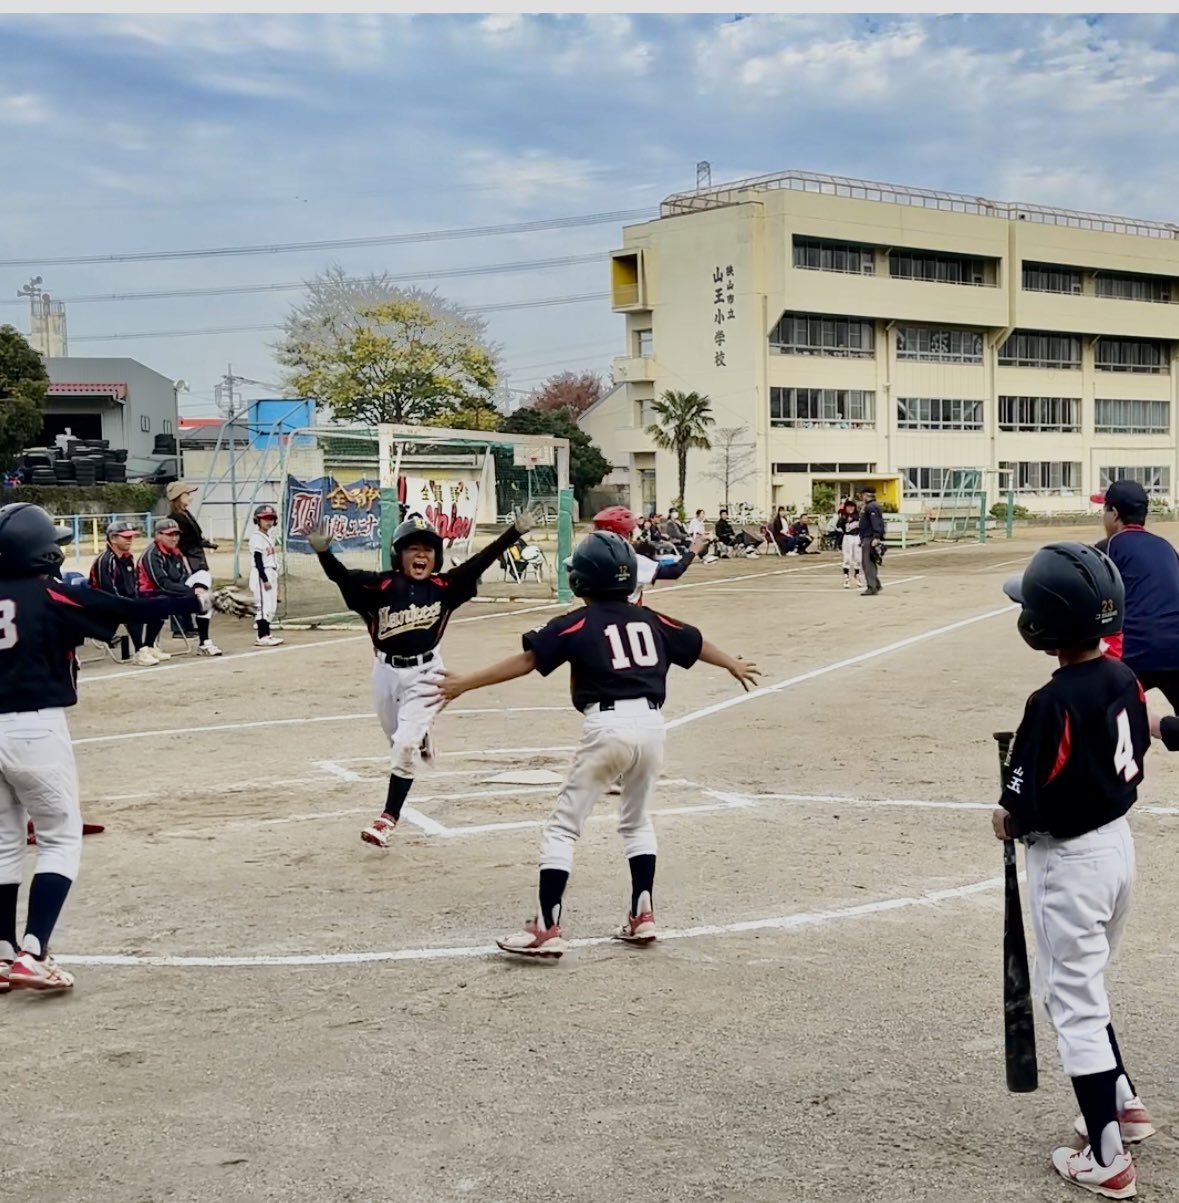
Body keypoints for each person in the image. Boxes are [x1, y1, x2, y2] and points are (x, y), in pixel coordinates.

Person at [430, 530, 760, 958]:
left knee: (563, 826)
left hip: (607, 726)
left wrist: (466, 683)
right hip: (652, 725)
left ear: (581, 580)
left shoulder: (577, 621)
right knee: (636, 822)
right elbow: (695, 643)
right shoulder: (649, 618)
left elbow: (528, 660)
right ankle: (642, 914)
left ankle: (546, 927)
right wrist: (732, 663)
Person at [995, 543, 1151, 1198]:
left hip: (1071, 863)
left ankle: (1107, 1158)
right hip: (1117, 851)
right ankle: (1124, 1103)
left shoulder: (1050, 701)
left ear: (1042, 626)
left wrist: (1006, 817)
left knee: (1072, 1001)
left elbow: (1025, 802)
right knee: (1084, 984)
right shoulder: (1123, 675)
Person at [0, 503, 208, 993]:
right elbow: (125, 609)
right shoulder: (49, 592)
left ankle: (3, 952)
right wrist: (192, 599)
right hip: (34, 727)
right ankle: (34, 952)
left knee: (5, 842)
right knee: (60, 837)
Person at [309, 508, 538, 849]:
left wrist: (513, 533)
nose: (421, 555)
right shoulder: (380, 585)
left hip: (428, 673)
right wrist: (324, 553)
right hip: (385, 674)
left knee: (404, 746)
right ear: (398, 556)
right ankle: (422, 732)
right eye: (412, 548)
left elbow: (479, 562)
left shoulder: (444, 587)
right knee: (396, 741)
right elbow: (342, 578)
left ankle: (387, 818)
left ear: (437, 557)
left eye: (428, 549)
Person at [1090, 479, 1179, 709]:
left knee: (1106, 714)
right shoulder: (1166, 547)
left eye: (1105, 510)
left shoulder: (1108, 547)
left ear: (1114, 514)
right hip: (1176, 648)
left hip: (1136, 650)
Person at [89, 519, 156, 665]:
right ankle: (140, 651)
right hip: (103, 604)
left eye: (131, 536)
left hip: (121, 601)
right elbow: (107, 591)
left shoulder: (127, 558)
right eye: (125, 537)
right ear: (113, 538)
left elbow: (132, 587)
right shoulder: (106, 560)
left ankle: (149, 646)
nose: (129, 540)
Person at [137, 518, 205, 659]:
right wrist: (190, 592)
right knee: (161, 603)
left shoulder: (176, 552)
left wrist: (196, 590)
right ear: (158, 535)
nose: (174, 538)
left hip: (168, 592)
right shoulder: (152, 554)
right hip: (147, 594)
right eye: (169, 535)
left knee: (206, 599)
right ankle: (147, 646)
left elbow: (182, 577)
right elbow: (162, 583)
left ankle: (205, 642)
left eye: (176, 534)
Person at [168, 481, 222, 656]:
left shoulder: (184, 514)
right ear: (178, 497)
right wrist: (200, 544)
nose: (190, 497)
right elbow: (185, 541)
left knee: (201, 595)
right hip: (188, 561)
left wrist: (205, 544)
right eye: (187, 494)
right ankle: (190, 633)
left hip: (195, 559)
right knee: (198, 595)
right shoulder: (176, 518)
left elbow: (194, 538)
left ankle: (197, 634)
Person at [248, 504, 284, 648]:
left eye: (271, 519)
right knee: (263, 606)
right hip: (262, 573)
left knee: (270, 606)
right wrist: (264, 579)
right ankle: (261, 636)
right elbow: (258, 559)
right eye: (265, 519)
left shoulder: (267, 537)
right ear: (258, 520)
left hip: (270, 571)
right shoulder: (257, 537)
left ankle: (267, 634)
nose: (268, 522)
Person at [859, 487, 886, 596]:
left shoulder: (870, 507)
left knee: (867, 563)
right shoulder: (873, 505)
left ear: (866, 495)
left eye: (863, 495)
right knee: (870, 562)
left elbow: (876, 522)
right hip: (868, 536)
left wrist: (876, 536)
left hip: (869, 537)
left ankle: (872, 586)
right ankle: (876, 584)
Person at [837, 501, 862, 590]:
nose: (850, 509)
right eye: (848, 507)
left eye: (852, 507)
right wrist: (844, 519)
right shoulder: (843, 516)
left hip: (857, 537)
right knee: (847, 558)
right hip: (847, 537)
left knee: (858, 558)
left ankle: (857, 574)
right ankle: (846, 576)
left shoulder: (858, 516)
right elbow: (839, 525)